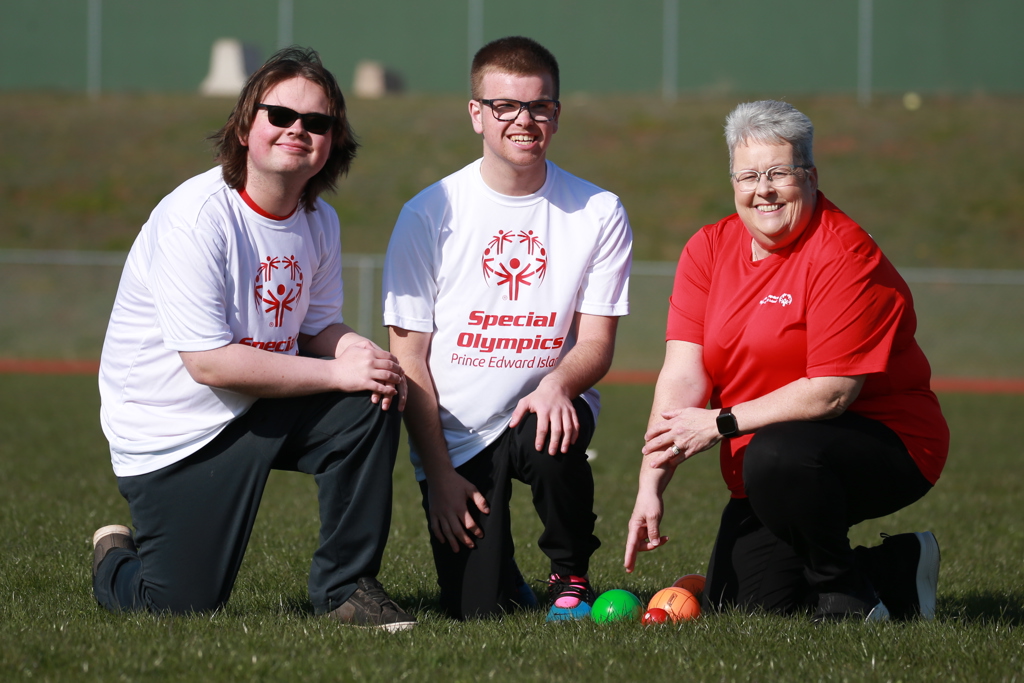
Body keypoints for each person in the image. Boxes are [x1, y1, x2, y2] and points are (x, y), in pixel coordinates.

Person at [93, 47, 416, 631]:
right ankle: (114, 558)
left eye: (317, 123)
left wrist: (355, 353)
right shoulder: (196, 217)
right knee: (178, 608)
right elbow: (210, 364)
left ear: (331, 142)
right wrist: (337, 372)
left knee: (371, 397)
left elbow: (317, 326)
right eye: (280, 116)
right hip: (174, 432)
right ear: (246, 126)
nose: (297, 130)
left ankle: (348, 589)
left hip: (259, 405)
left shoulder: (319, 221)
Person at [624, 100, 949, 622]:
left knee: (778, 455)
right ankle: (897, 567)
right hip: (769, 463)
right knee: (745, 607)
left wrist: (721, 423)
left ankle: (846, 597)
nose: (764, 189)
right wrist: (650, 482)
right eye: (748, 175)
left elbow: (832, 392)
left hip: (885, 440)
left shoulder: (844, 253)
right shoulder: (707, 249)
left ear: (812, 176)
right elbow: (683, 373)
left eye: (780, 173)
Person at [383, 36, 632, 620]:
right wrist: (439, 473)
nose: (523, 120)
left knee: (549, 429)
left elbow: (596, 344)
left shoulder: (598, 210)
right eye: (505, 107)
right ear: (477, 114)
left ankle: (570, 575)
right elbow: (411, 359)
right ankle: (503, 578)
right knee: (477, 609)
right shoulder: (429, 212)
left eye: (538, 106)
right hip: (457, 432)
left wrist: (556, 384)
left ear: (556, 114)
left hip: (542, 409)